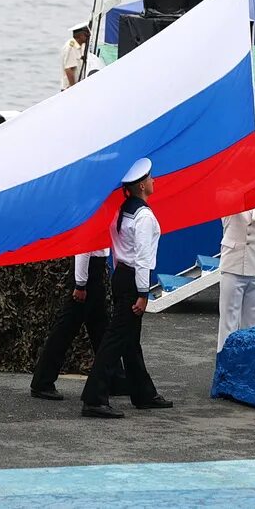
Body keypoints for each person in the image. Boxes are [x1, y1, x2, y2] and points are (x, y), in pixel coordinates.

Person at [80, 158, 173, 418]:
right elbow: (143, 258)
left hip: (121, 274)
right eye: (151, 178)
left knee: (130, 341)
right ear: (142, 185)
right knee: (115, 340)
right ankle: (94, 398)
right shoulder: (143, 216)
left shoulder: (123, 210)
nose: (154, 181)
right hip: (133, 279)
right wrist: (143, 293)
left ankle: (143, 392)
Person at [31, 248, 114, 401]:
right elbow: (84, 249)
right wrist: (80, 285)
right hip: (87, 272)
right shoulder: (92, 223)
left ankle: (114, 378)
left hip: (94, 270)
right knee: (65, 330)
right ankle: (42, 382)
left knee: (100, 329)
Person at [217, 163, 255, 353]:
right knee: (228, 322)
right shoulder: (224, 192)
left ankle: (249, 369)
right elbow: (236, 199)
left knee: (253, 325)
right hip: (234, 264)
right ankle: (226, 368)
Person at [60, 22, 91, 90]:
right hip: (69, 90)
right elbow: (69, 70)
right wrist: (74, 89)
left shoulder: (80, 46)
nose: (88, 37)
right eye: (86, 35)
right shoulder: (71, 47)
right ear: (80, 35)